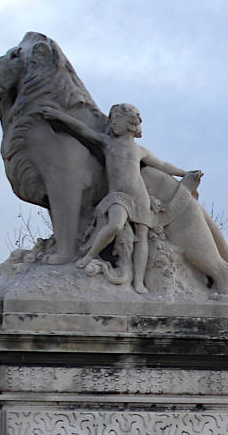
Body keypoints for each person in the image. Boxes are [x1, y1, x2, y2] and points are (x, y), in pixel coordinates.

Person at [40, 103, 198, 293]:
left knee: (141, 237)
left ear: (130, 123)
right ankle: (89, 255)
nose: (112, 123)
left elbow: (162, 164)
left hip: (139, 197)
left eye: (117, 119)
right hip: (119, 195)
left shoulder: (140, 151)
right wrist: (59, 115)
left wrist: (184, 173)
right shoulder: (108, 143)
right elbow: (82, 130)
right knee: (115, 224)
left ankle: (138, 282)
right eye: (111, 119)